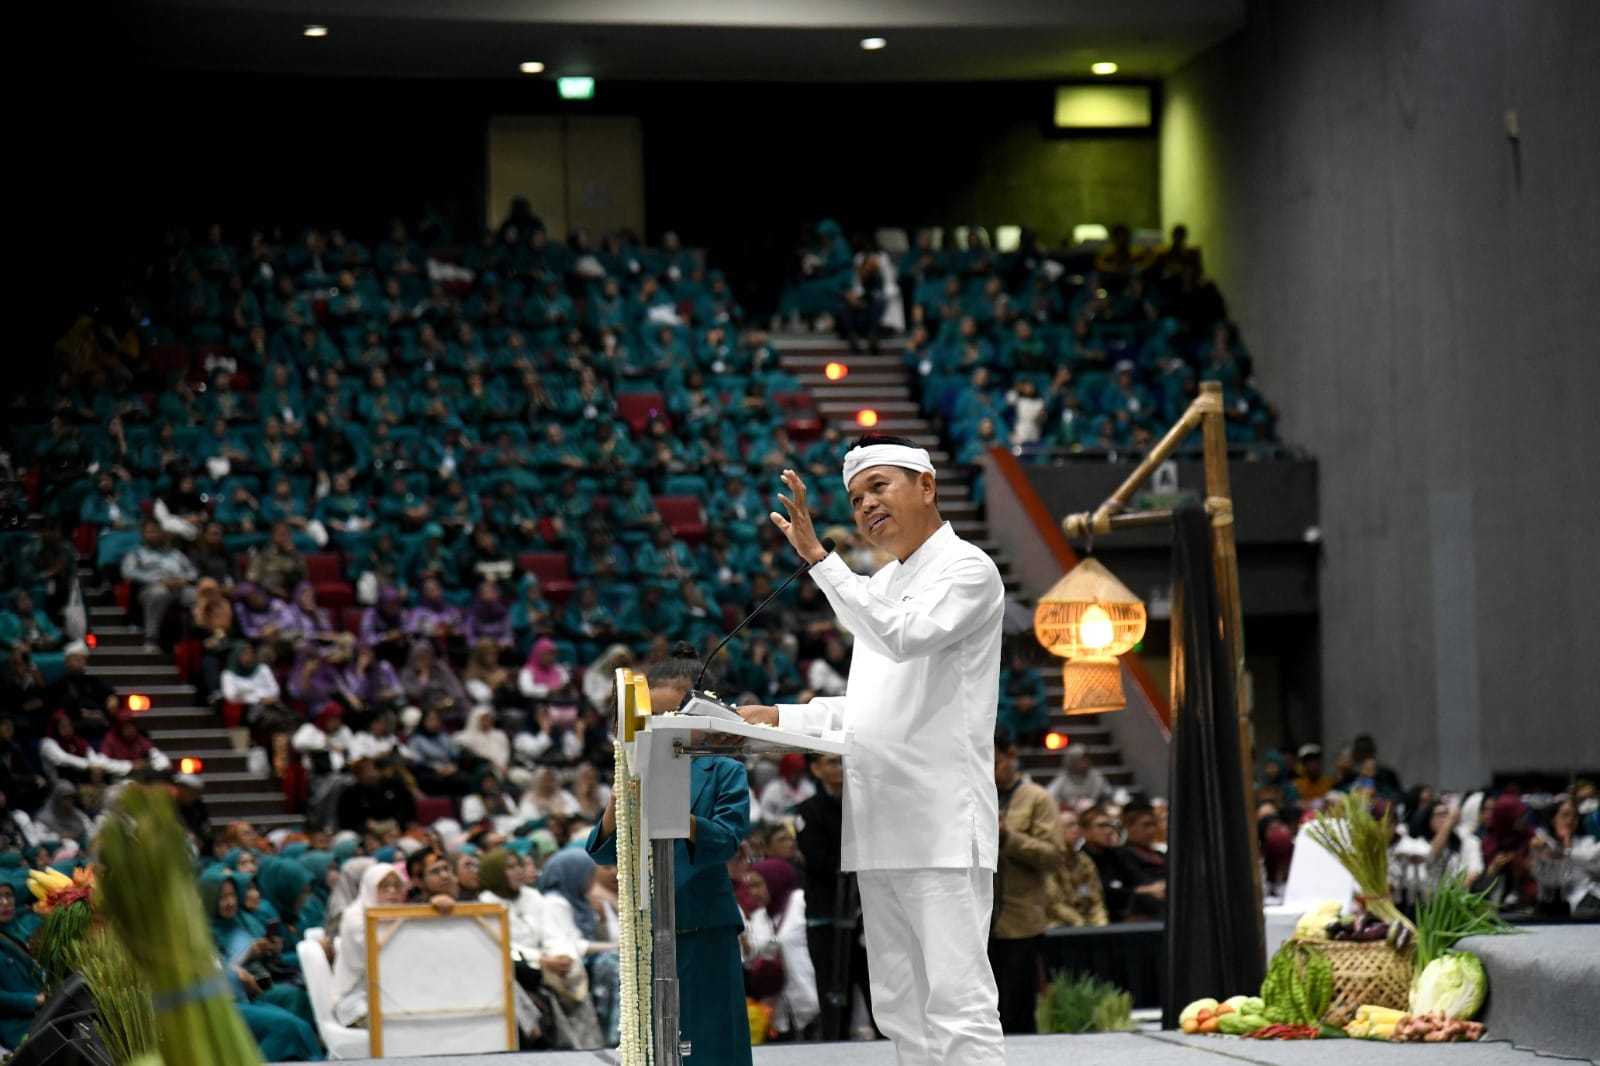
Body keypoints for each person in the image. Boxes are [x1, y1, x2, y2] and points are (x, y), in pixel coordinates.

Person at [739, 436, 1007, 1066]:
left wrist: (819, 559)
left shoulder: (969, 569)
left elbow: (902, 637)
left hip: (941, 827)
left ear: (928, 486)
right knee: (897, 1005)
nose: (865, 504)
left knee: (958, 1005)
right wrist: (777, 715)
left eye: (880, 487)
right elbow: (865, 712)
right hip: (880, 822)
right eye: (857, 497)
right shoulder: (881, 583)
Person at [589, 644, 752, 1066]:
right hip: (648, 923)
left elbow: (728, 840)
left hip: (705, 923)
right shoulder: (634, 769)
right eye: (652, 720)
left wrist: (677, 812)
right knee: (652, 1039)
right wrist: (617, 798)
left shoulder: (724, 769)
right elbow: (607, 853)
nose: (661, 728)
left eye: (671, 719)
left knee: (713, 1038)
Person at [988, 731, 1060, 1034]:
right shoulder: (974, 795)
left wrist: (1007, 837)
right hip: (978, 922)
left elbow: (1052, 856)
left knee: (1017, 1011)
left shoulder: (1037, 798)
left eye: (992, 759)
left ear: (1010, 756)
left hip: (1021, 921)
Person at [331, 861, 451, 1027]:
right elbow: (385, 952)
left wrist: (435, 908)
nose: (392, 892)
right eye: (384, 887)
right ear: (370, 888)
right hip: (358, 997)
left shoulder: (396, 913)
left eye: (397, 887)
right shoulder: (355, 917)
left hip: (395, 994)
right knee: (403, 1026)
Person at [120, 519, 199, 651]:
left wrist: (183, 580)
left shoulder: (175, 553)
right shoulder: (137, 553)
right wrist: (157, 580)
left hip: (178, 587)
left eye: (156, 531)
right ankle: (151, 639)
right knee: (159, 594)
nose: (153, 535)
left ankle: (192, 639)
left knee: (197, 595)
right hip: (150, 589)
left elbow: (193, 572)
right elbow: (128, 572)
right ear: (143, 534)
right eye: (149, 532)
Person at [1044, 807, 1108, 927]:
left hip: (1086, 922)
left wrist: (1101, 923)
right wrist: (1081, 924)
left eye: (1077, 825)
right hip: (1058, 925)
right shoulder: (1047, 861)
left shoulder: (1084, 861)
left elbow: (1096, 900)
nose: (1077, 829)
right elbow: (1054, 904)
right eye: (1070, 825)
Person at [0, 881, 43, 1052]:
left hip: (41, 1016)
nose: (5, 902)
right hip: (18, 1030)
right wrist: (34, 1000)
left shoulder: (16, 929)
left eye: (8, 895)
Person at [759, 752, 815, 823]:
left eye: (799, 772)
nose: (797, 776)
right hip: (779, 827)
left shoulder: (807, 786)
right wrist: (779, 820)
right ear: (786, 771)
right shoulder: (773, 789)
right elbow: (764, 813)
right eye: (794, 772)